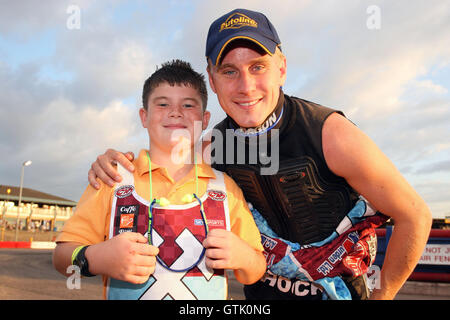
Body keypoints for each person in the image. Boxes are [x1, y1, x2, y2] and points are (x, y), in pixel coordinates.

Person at [87, 9, 432, 300]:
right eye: (229, 71)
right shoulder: (214, 147)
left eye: (257, 67)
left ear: (281, 68)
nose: (245, 86)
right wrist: (115, 163)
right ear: (213, 79)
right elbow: (161, 162)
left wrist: (383, 296)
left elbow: (414, 215)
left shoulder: (328, 134)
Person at [53, 59, 266, 300]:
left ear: (205, 120)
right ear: (144, 117)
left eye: (188, 105)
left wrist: (245, 257)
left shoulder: (225, 188)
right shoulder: (113, 180)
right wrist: (94, 258)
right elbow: (62, 257)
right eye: (163, 104)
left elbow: (256, 269)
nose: (175, 112)